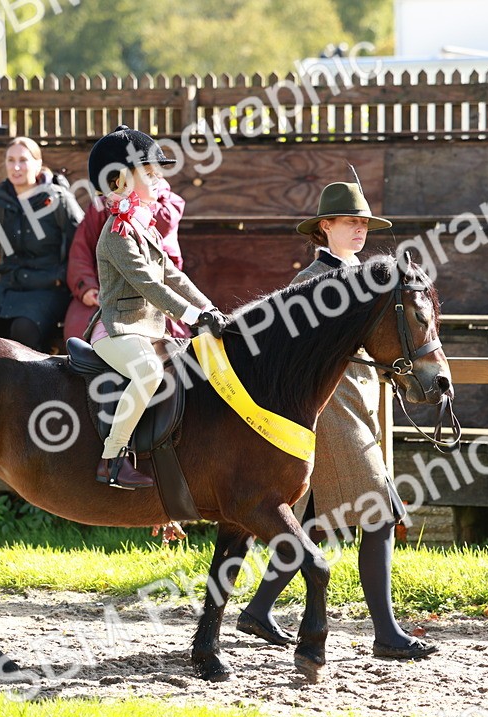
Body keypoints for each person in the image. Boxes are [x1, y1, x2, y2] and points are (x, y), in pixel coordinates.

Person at [237, 181, 439, 661]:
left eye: (364, 223)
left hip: (361, 406)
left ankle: (259, 609)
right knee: (381, 513)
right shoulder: (310, 281)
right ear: (324, 227)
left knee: (307, 520)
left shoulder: (369, 279)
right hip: (328, 414)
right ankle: (387, 634)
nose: (359, 230)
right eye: (350, 222)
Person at [87, 125, 229, 489]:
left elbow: (172, 276)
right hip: (118, 329)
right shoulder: (117, 233)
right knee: (148, 371)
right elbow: (148, 285)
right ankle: (112, 458)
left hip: (150, 329)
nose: (159, 179)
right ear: (119, 182)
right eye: (149, 173)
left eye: (158, 173)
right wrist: (193, 316)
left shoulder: (144, 227)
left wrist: (209, 308)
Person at [0, 136, 84, 351]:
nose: (16, 167)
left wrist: (69, 280)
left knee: (23, 328)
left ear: (38, 164)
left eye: (23, 160)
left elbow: (83, 244)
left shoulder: (58, 199)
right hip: (9, 286)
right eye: (10, 160)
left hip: (48, 287)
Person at [64, 178, 188, 341]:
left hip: (155, 293)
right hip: (105, 287)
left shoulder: (164, 208)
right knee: (78, 328)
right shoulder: (101, 208)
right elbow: (81, 252)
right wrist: (86, 287)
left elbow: (164, 270)